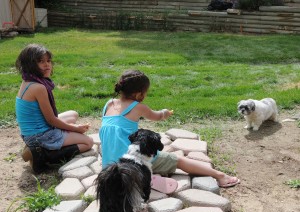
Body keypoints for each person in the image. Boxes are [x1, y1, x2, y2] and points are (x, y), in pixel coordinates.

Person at [99, 69, 240, 188]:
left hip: (109, 166)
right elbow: (157, 116)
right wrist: (165, 113)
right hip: (131, 162)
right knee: (178, 160)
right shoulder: (138, 107)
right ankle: (220, 175)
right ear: (139, 93)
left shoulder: (109, 104)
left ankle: (138, 177)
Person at [15, 44, 94, 173]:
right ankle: (43, 155)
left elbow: (49, 117)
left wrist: (69, 127)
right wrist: (76, 129)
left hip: (32, 132)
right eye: (41, 62)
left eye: (48, 61)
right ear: (30, 65)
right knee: (88, 142)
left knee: (73, 115)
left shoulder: (28, 81)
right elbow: (51, 120)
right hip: (41, 135)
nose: (47, 65)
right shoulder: (39, 88)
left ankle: (36, 148)